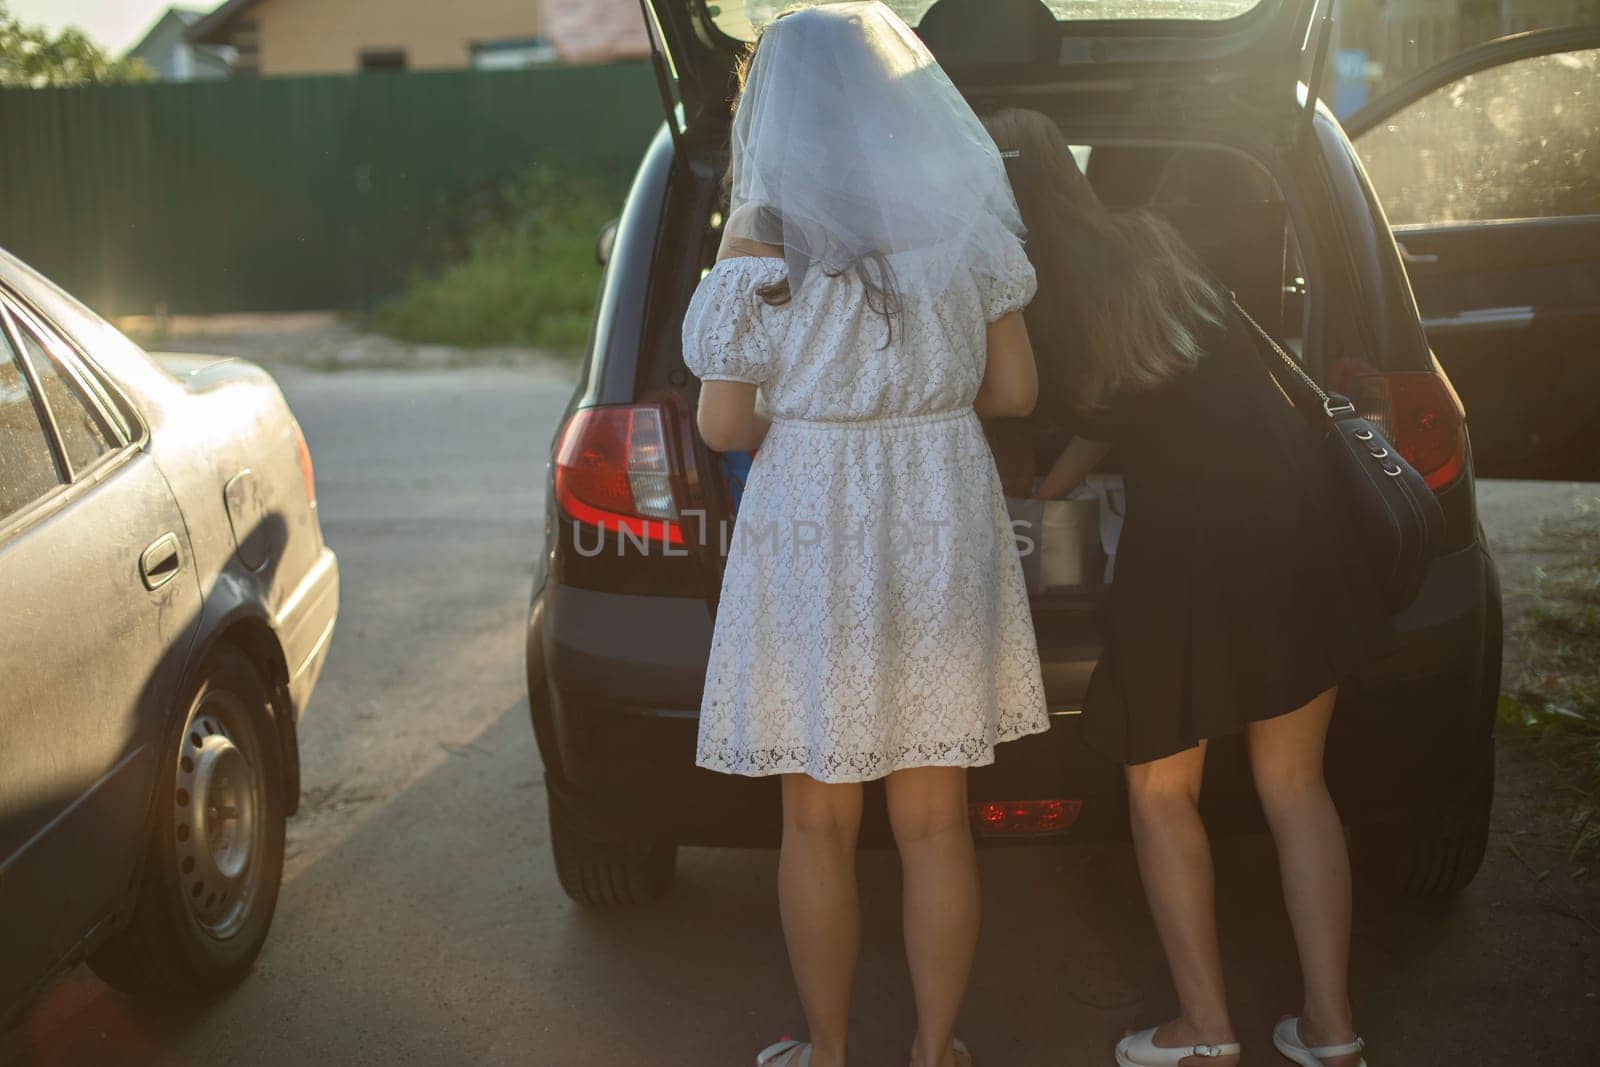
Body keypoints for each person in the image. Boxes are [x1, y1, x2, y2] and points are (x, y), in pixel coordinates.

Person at [680, 8, 1049, 1067]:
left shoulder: (759, 239)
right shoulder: (961, 222)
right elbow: (1016, 389)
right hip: (936, 502)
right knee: (936, 818)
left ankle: (830, 1052)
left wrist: (817, 397)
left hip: (812, 518)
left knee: (819, 822)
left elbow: (720, 425)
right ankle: (936, 1050)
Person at [982, 108, 1377, 1067]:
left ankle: (1205, 1030)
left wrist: (1036, 492)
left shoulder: (1024, 289)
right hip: (1295, 518)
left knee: (1162, 794)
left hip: (1189, 548)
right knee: (1296, 784)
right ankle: (1332, 1031)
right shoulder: (1153, 245)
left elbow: (1052, 404)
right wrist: (1064, 475)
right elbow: (1140, 392)